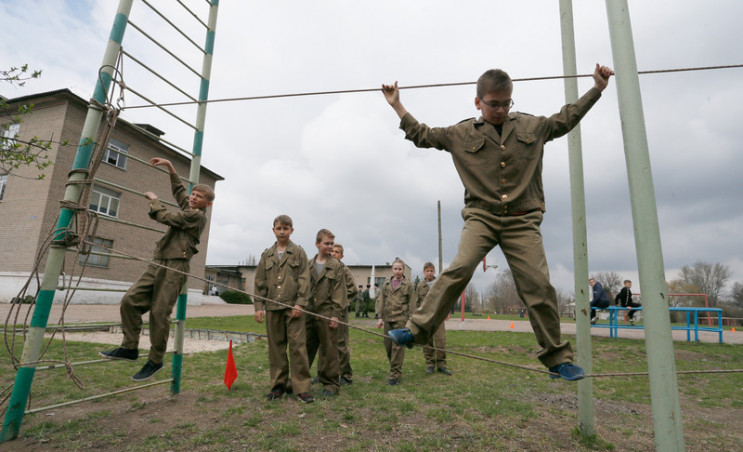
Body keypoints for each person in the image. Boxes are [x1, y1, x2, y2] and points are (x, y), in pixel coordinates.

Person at [381, 63, 614, 381]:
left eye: (507, 103)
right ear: (478, 102)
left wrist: (597, 89)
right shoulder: (460, 133)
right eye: (494, 104)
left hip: (522, 220)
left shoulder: (533, 126)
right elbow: (422, 135)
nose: (501, 110)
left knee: (539, 285)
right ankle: (416, 331)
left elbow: (566, 118)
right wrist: (397, 104)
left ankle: (558, 359)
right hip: (482, 217)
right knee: (459, 269)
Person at [99, 158, 214, 382]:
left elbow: (165, 216)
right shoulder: (189, 206)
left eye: (199, 197)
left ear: (206, 204)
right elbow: (180, 191)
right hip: (159, 261)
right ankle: (129, 348)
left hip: (176, 266)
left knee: (160, 313)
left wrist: (154, 200)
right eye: (193, 194)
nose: (192, 197)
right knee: (130, 301)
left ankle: (155, 360)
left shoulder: (195, 216)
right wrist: (171, 166)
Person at [253, 215, 314, 403]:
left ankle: (301, 388)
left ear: (291, 231)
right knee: (276, 349)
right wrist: (258, 307)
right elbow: (259, 282)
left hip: (292, 308)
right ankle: (278, 386)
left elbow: (304, 279)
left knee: (297, 348)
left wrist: (300, 304)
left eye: (286, 229)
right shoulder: (267, 255)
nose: (282, 232)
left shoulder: (299, 253)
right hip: (272, 307)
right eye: (279, 228)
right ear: (273, 230)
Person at [305, 229, 346, 397]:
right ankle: (300, 382)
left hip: (327, 313)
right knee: (305, 348)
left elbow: (339, 292)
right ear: (317, 244)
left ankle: (331, 384)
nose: (330, 247)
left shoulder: (336, 266)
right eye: (326, 243)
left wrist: (335, 313)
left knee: (329, 350)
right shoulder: (308, 264)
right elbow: (302, 287)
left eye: (331, 244)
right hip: (308, 312)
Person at [376, 258, 415, 385]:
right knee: (388, 347)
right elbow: (381, 301)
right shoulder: (387, 284)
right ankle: (394, 369)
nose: (397, 271)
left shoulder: (408, 284)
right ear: (392, 269)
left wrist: (410, 321)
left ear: (403, 270)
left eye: (400, 269)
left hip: (401, 320)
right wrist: (380, 317)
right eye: (395, 268)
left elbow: (412, 304)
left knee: (397, 348)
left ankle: (395, 375)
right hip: (388, 319)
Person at [415, 262, 451, 375]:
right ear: (424, 272)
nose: (429, 273)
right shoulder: (420, 286)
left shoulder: (439, 283)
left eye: (431, 271)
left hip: (438, 317)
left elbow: (445, 298)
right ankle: (430, 364)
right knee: (427, 342)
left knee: (440, 341)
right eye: (427, 271)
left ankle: (442, 365)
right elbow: (417, 302)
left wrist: (447, 311)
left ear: (434, 271)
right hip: (425, 318)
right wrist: (416, 316)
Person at [331, 243, 358, 386]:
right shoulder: (326, 268)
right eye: (332, 252)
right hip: (326, 311)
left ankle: (346, 375)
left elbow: (353, 289)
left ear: (341, 255)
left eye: (337, 252)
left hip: (339, 311)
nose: (333, 254)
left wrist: (340, 299)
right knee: (324, 344)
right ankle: (324, 373)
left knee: (340, 344)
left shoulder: (343, 269)